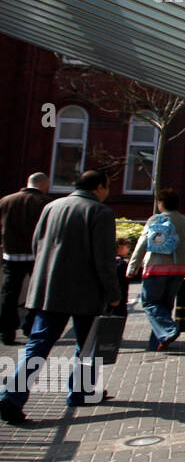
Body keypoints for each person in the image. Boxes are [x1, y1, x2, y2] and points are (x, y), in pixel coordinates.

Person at [0, 170, 120, 424]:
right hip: (86, 291)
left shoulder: (51, 207)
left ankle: (12, 395)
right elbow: (104, 259)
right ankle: (81, 391)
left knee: (38, 344)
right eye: (108, 187)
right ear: (99, 187)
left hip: (48, 289)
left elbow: (37, 244)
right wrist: (113, 293)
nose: (108, 192)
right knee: (87, 346)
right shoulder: (100, 212)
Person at [127, 188, 185, 351]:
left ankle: (169, 331)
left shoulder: (155, 219)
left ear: (161, 203)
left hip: (156, 267)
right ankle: (158, 342)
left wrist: (133, 266)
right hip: (179, 269)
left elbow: (142, 243)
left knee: (150, 303)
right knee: (165, 306)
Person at [0, 172, 49, 344]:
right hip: (37, 255)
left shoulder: (6, 201)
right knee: (36, 293)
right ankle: (30, 327)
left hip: (11, 254)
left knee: (8, 293)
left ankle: (6, 332)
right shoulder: (45, 203)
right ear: (43, 184)